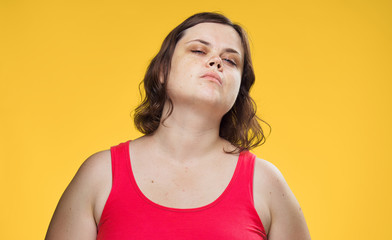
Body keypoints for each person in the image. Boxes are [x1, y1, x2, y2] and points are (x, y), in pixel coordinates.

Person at [45, 12, 311, 239]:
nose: (216, 61)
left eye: (230, 60)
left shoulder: (267, 183)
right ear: (162, 70)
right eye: (198, 50)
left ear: (239, 88)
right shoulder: (99, 174)